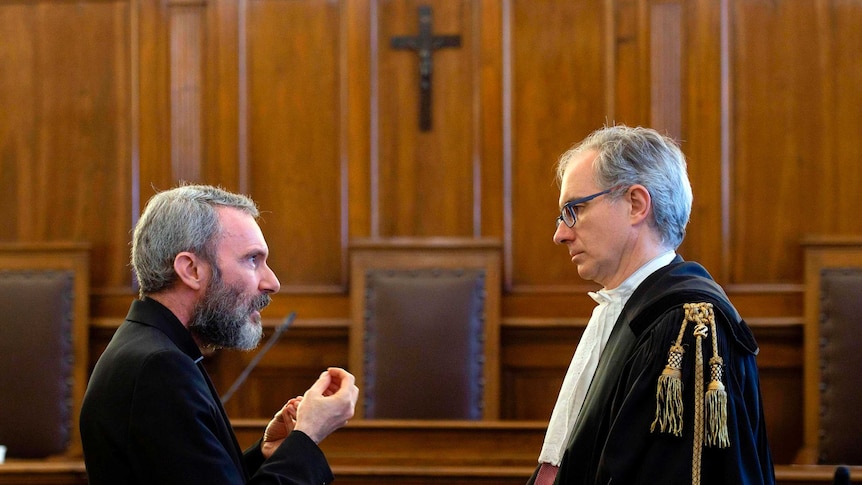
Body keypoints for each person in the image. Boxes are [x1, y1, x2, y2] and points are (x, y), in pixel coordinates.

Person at [527, 125, 774, 485]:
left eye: (574, 210)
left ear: (636, 204)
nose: (561, 233)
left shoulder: (684, 326)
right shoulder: (630, 309)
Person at [80, 184, 359, 485]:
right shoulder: (159, 367)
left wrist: (266, 454)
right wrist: (307, 435)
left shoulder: (151, 348)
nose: (272, 282)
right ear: (192, 270)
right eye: (252, 259)